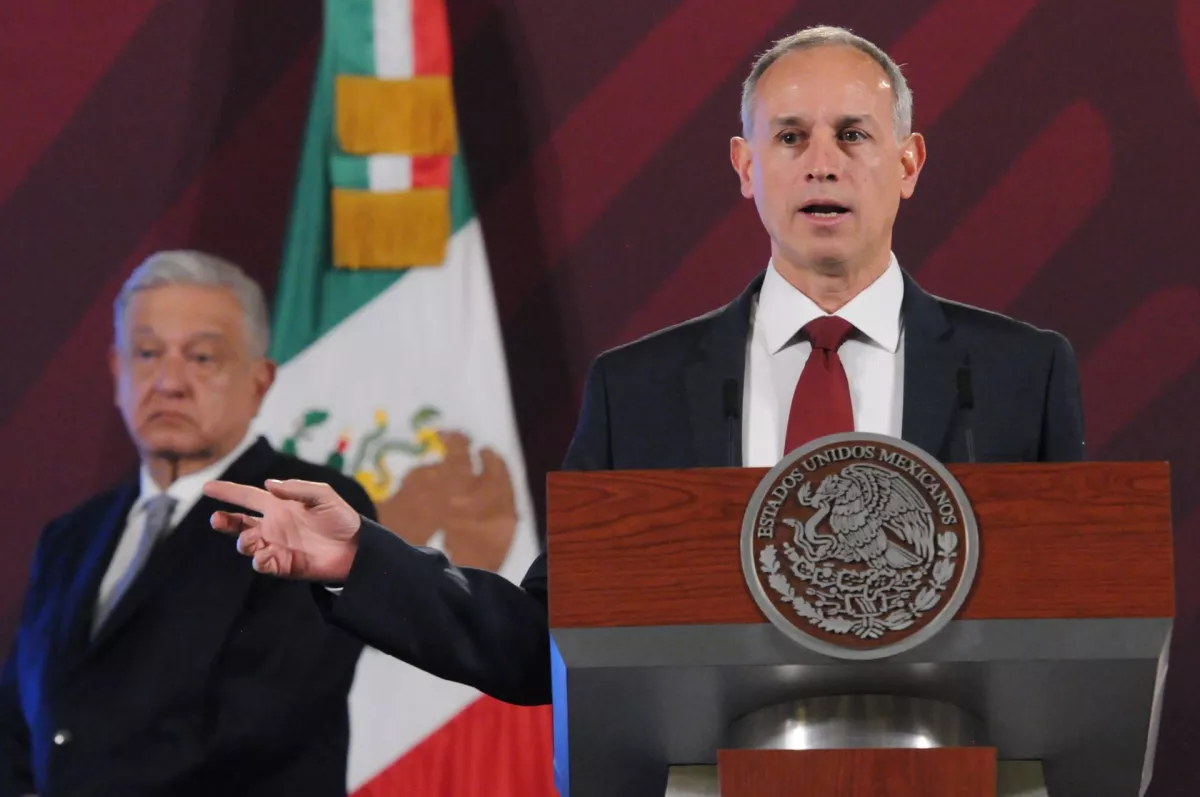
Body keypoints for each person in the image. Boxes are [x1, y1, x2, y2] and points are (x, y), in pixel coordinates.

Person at [206, 23, 1085, 712]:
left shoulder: (1019, 376)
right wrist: (364, 559)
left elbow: (1082, 627)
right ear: (746, 167)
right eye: (789, 137)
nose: (821, 160)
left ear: (907, 162)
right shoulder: (644, 391)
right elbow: (549, 640)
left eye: (853, 133)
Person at [0, 251, 377, 797]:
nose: (168, 382)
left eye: (202, 358)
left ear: (259, 380)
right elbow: (18, 720)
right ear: (117, 371)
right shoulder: (70, 537)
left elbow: (264, 722)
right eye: (147, 353)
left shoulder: (304, 508)